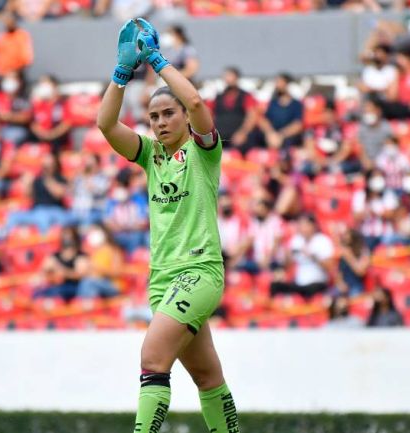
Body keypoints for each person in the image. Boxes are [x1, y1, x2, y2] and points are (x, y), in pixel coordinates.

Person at [96, 18, 240, 433]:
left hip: (198, 273)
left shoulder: (202, 153)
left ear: (182, 117)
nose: (159, 122)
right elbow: (105, 124)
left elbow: (196, 102)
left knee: (152, 359)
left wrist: (158, 61)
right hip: (162, 280)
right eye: (153, 116)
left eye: (167, 114)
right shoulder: (150, 156)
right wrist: (121, 75)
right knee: (207, 377)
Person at [270, 213, 335, 299]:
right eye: (300, 225)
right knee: (275, 285)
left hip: (317, 283)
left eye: (305, 225)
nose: (302, 228)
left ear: (313, 226)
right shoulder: (297, 240)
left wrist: (312, 256)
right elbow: (287, 265)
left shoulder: (323, 241)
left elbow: (329, 267)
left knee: (311, 291)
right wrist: (287, 255)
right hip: (299, 283)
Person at [34, 226, 88, 300]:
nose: (67, 240)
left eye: (69, 237)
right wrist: (50, 273)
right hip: (56, 286)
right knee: (38, 293)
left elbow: (80, 275)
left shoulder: (80, 256)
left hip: (74, 288)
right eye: (64, 236)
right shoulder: (54, 256)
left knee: (56, 293)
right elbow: (42, 272)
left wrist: (63, 272)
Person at [212, 66, 258, 153]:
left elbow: (251, 117)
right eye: (226, 76)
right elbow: (210, 116)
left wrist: (243, 133)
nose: (228, 79)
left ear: (237, 78)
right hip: (219, 137)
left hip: (238, 136)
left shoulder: (246, 96)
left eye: (230, 76)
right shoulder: (218, 97)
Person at [256, 73, 304, 149]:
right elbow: (264, 120)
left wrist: (281, 135)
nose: (277, 85)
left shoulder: (296, 104)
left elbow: (298, 125)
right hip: (272, 136)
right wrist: (270, 133)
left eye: (280, 82)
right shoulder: (272, 103)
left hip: (287, 137)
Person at [0, 71, 33, 145]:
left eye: (13, 78)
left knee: (16, 134)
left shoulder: (23, 99)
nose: (10, 80)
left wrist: (9, 116)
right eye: (7, 78)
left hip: (14, 129)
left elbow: (27, 117)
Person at [30, 75, 72, 151]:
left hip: (59, 142)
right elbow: (33, 122)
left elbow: (67, 122)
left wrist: (52, 135)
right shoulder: (38, 104)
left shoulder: (63, 103)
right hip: (40, 141)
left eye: (46, 84)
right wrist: (41, 133)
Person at [335, 229, 370, 296]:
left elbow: (360, 272)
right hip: (344, 286)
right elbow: (339, 273)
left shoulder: (364, 252)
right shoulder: (344, 254)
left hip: (356, 285)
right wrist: (340, 283)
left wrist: (350, 257)